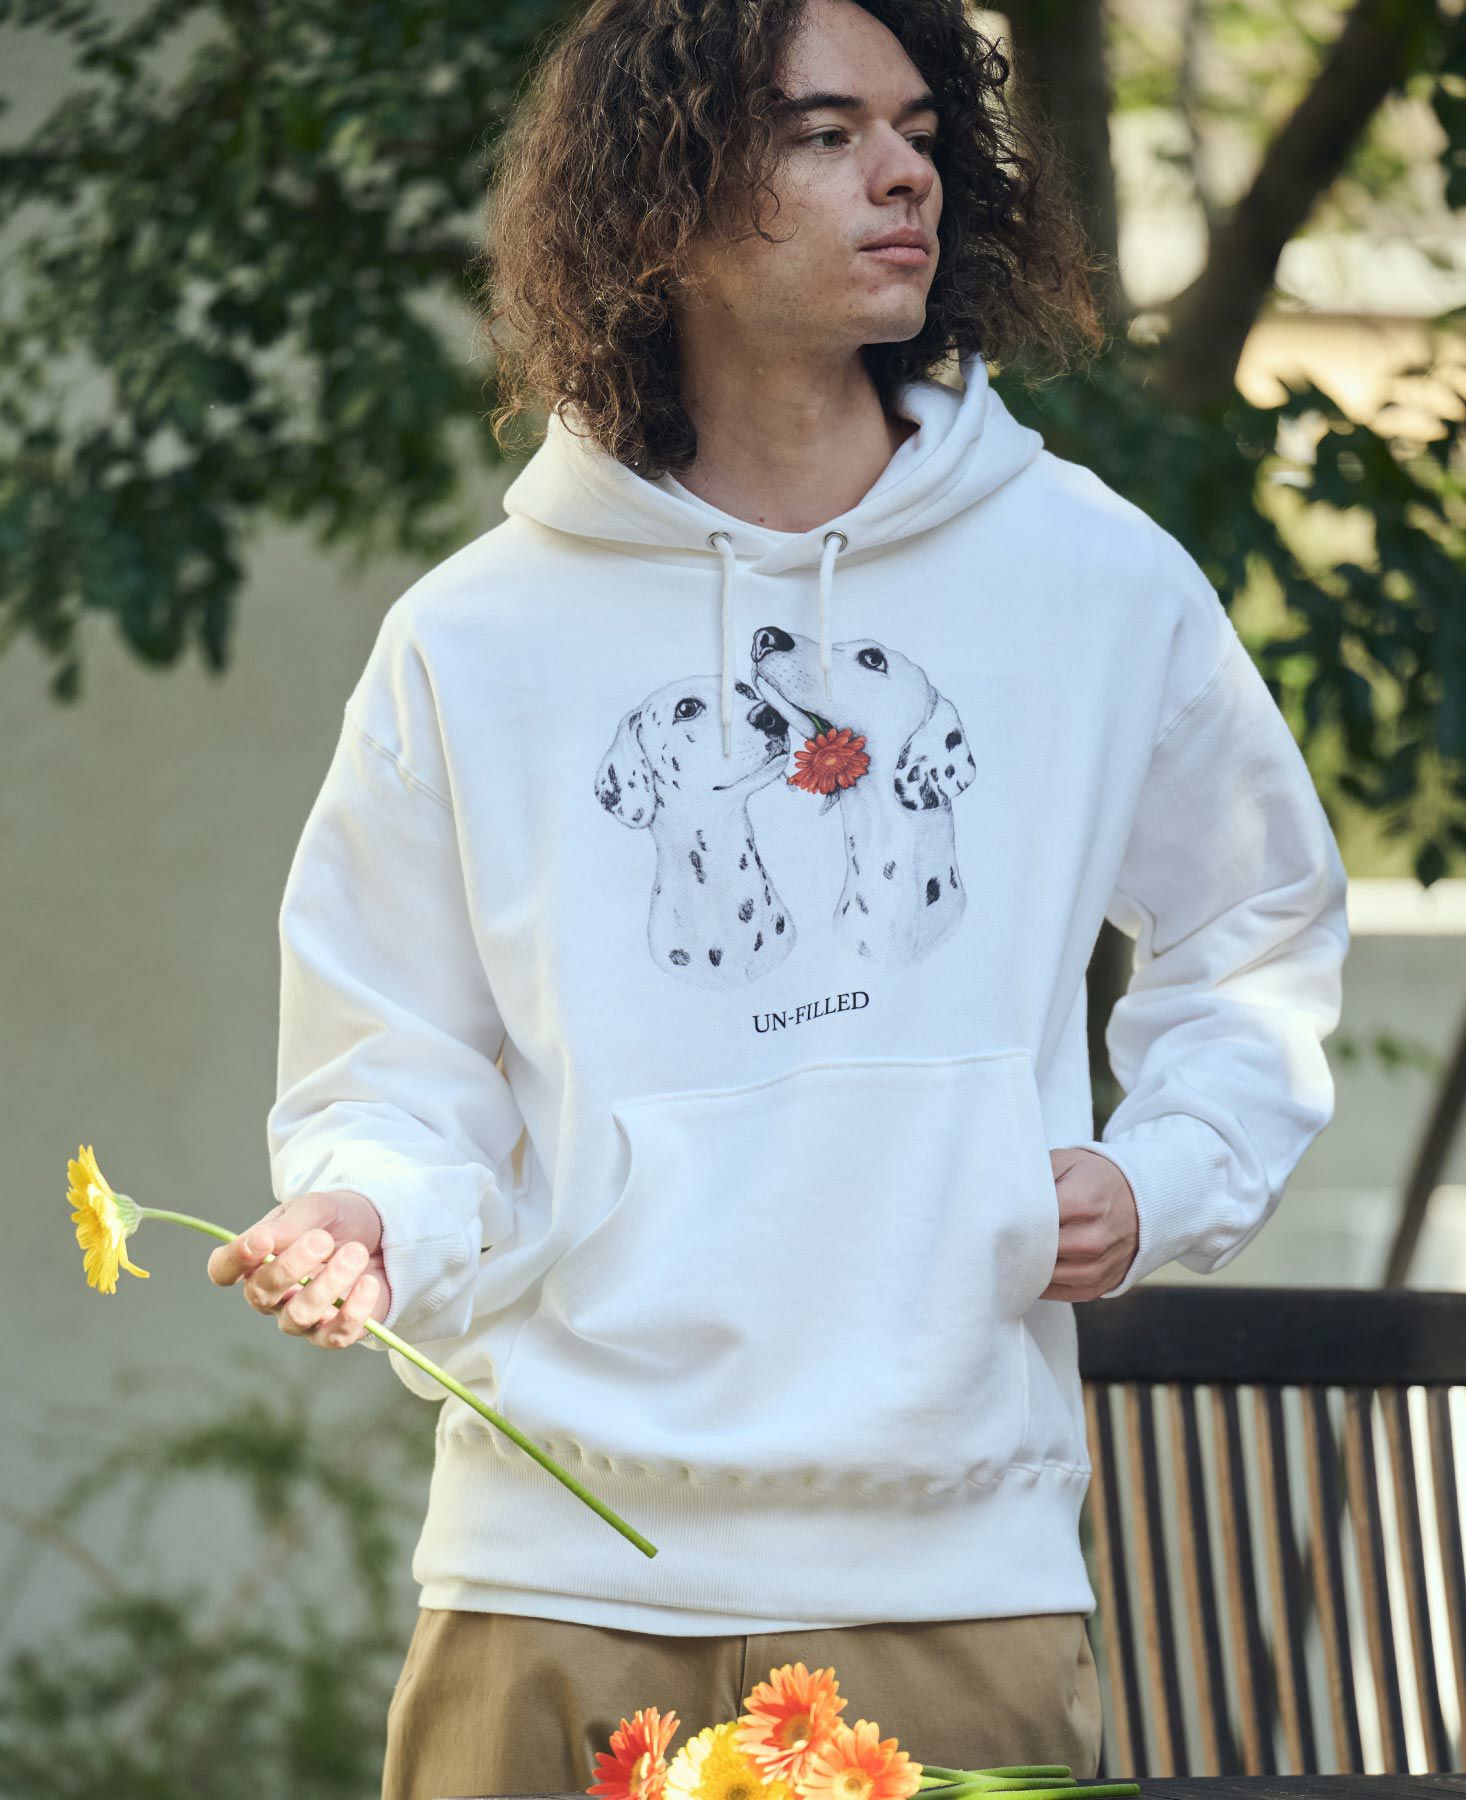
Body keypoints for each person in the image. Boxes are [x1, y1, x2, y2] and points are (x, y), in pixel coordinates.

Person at [205, 1, 1351, 1794]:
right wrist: (368, 1212)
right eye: (825, 133)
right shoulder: (474, 639)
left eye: (918, 131)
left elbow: (1259, 927)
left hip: (952, 1575)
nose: (903, 174)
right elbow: (393, 1058)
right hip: (552, 1577)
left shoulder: (1093, 581)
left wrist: (1168, 1171)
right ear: (659, 199)